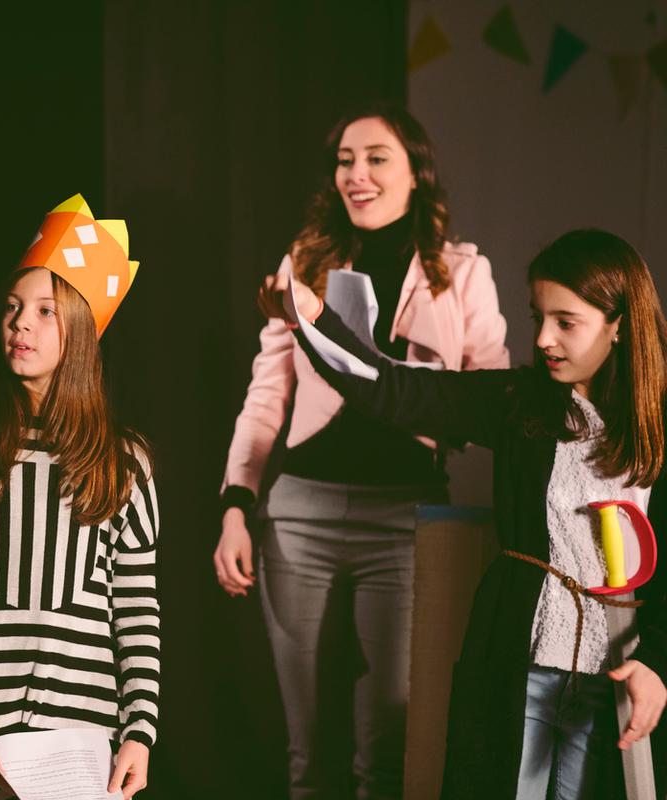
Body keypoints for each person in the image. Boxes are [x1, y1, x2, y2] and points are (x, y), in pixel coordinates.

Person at [261, 228, 667, 799]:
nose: (545, 339)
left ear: (619, 323)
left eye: (566, 322)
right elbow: (393, 388)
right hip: (517, 662)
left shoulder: (658, 426)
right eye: (538, 318)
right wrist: (311, 318)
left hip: (622, 675)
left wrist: (658, 665)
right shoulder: (519, 403)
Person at [212, 103, 510, 798]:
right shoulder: (303, 267)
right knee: (307, 754)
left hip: (406, 522)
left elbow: (489, 392)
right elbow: (265, 399)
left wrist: (417, 376)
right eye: (346, 160)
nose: (357, 174)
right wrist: (236, 505)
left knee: (388, 750)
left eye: (377, 157)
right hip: (300, 516)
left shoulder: (462, 273)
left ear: (416, 174)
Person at [0, 195, 160, 799]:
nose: (21, 322)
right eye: (13, 308)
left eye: (46, 311)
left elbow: (136, 610)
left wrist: (139, 732)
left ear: (81, 331)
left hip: (77, 742)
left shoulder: (124, 463)